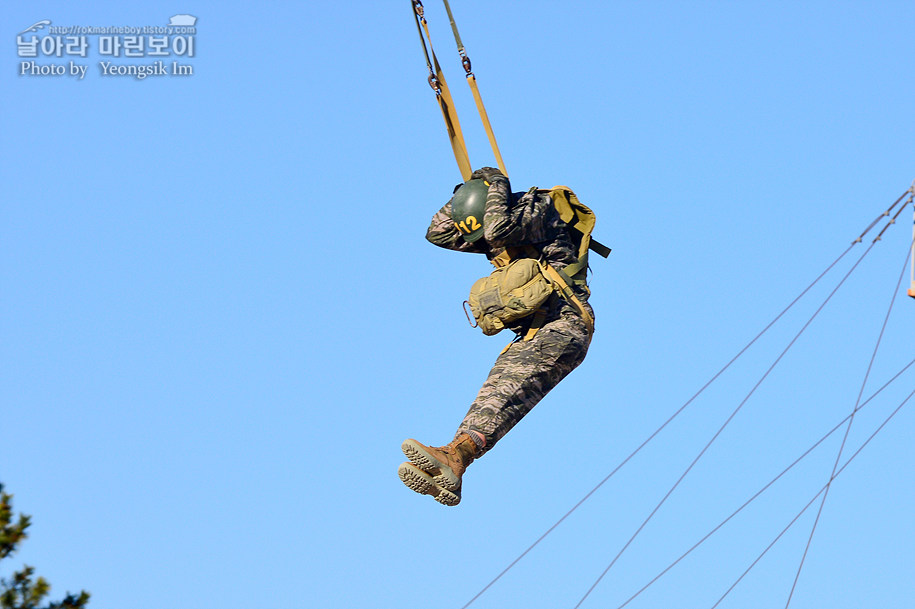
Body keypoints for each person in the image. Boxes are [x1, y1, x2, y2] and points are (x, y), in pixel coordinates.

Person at [398, 167, 595, 506]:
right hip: (537, 333)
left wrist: (497, 183)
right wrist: (464, 195)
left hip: (563, 325)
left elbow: (494, 226)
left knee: (504, 394)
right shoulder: (501, 226)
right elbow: (437, 232)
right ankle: (454, 462)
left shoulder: (539, 211)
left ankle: (454, 458)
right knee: (494, 400)